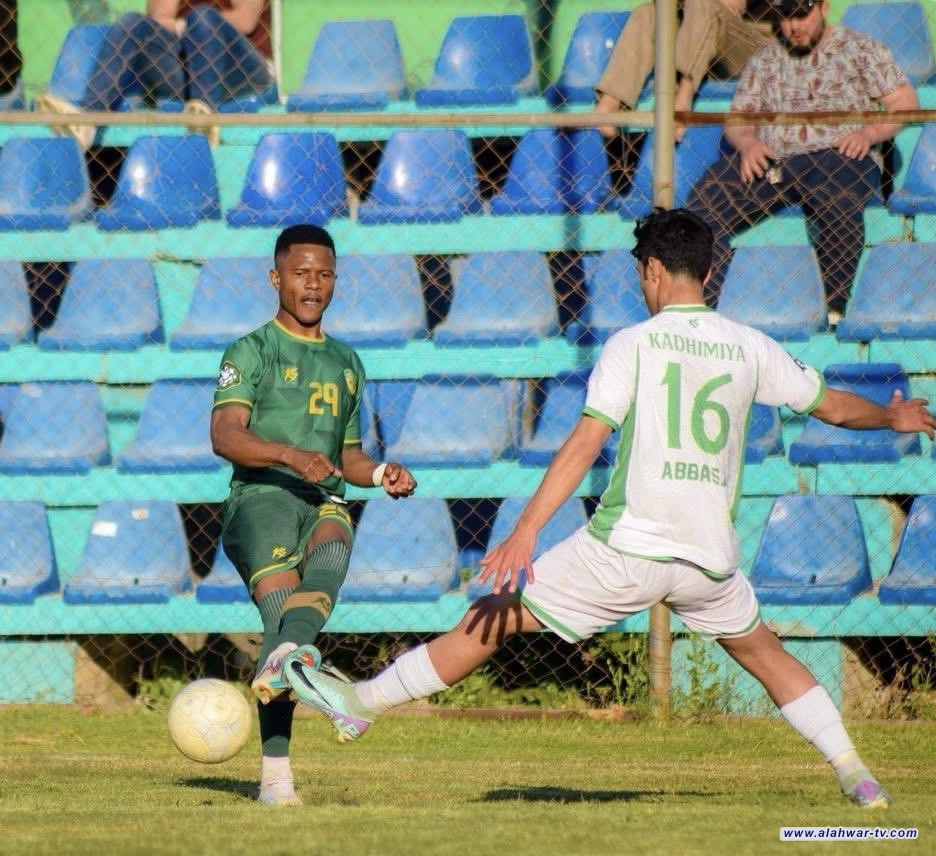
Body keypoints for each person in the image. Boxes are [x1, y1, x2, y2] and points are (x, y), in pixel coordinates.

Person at [284, 208, 936, 810]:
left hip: (628, 551)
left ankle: (360, 700)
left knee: (491, 616)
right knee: (766, 654)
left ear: (652, 271)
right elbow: (834, 406)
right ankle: (855, 770)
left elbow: (583, 442)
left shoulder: (635, 344)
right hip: (707, 558)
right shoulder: (749, 345)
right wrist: (893, 416)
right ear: (708, 272)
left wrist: (525, 532)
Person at [209, 223, 417, 806]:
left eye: (324, 274)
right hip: (260, 503)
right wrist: (288, 454)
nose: (313, 285)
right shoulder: (250, 350)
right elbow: (225, 435)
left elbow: (346, 456)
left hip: (322, 499)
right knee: (285, 624)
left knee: (332, 532)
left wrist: (379, 474)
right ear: (277, 277)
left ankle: (289, 676)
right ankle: (281, 765)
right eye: (301, 274)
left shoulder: (347, 362)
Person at [686, 0, 918, 323]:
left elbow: (905, 104)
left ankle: (834, 309)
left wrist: (868, 134)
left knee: (838, 188)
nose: (794, 26)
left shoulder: (862, 49)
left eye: (802, 14)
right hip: (779, 161)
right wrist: (748, 142)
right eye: (785, 16)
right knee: (706, 197)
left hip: (840, 155)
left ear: (823, 7)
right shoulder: (765, 59)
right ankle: (702, 312)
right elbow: (738, 119)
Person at [36, 0, 273, 149]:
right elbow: (160, 17)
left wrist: (186, 25)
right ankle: (86, 121)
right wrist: (185, 27)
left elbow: (245, 20)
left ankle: (204, 121)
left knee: (202, 18)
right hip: (189, 71)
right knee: (132, 22)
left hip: (241, 72)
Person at [594, 0, 774, 140]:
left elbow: (736, 6)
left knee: (704, 3)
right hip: (697, 37)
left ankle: (681, 101)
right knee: (648, 13)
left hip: (754, 44)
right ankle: (610, 103)